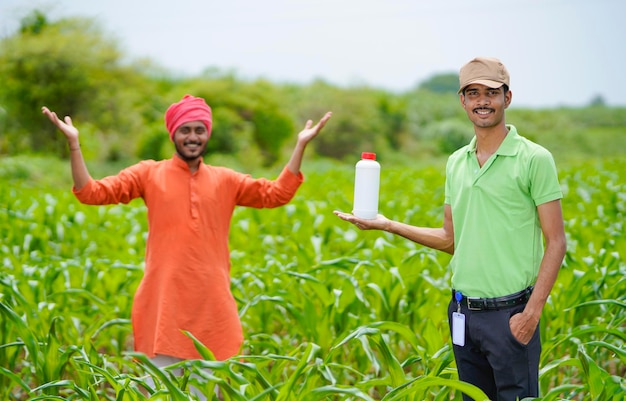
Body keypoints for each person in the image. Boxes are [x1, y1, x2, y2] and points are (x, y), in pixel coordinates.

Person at [43, 95, 331, 397]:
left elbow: (276, 194)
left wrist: (300, 146)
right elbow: (92, 192)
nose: (192, 137)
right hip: (163, 306)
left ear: (207, 134)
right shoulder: (148, 174)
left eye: (199, 130)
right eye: (185, 130)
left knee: (208, 392)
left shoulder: (225, 180)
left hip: (212, 307)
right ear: (173, 134)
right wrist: (74, 145)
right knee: (162, 393)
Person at [334, 57, 566, 401]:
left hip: (510, 317)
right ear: (463, 101)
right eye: (473, 93)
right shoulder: (456, 162)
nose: (482, 101)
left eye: (491, 92)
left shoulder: (534, 159)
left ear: (508, 97)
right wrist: (387, 225)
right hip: (463, 314)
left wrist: (530, 315)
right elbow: (449, 239)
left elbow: (557, 242)